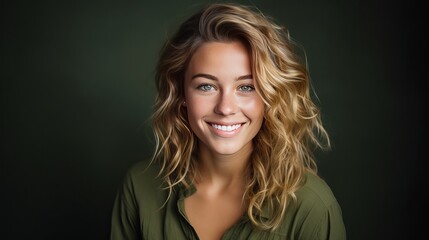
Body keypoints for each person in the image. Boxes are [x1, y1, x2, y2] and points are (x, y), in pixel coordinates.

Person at [110, 2, 346, 240]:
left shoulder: (311, 207)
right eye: (206, 86)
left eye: (246, 87)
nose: (225, 108)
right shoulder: (140, 188)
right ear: (181, 94)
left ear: (270, 96)